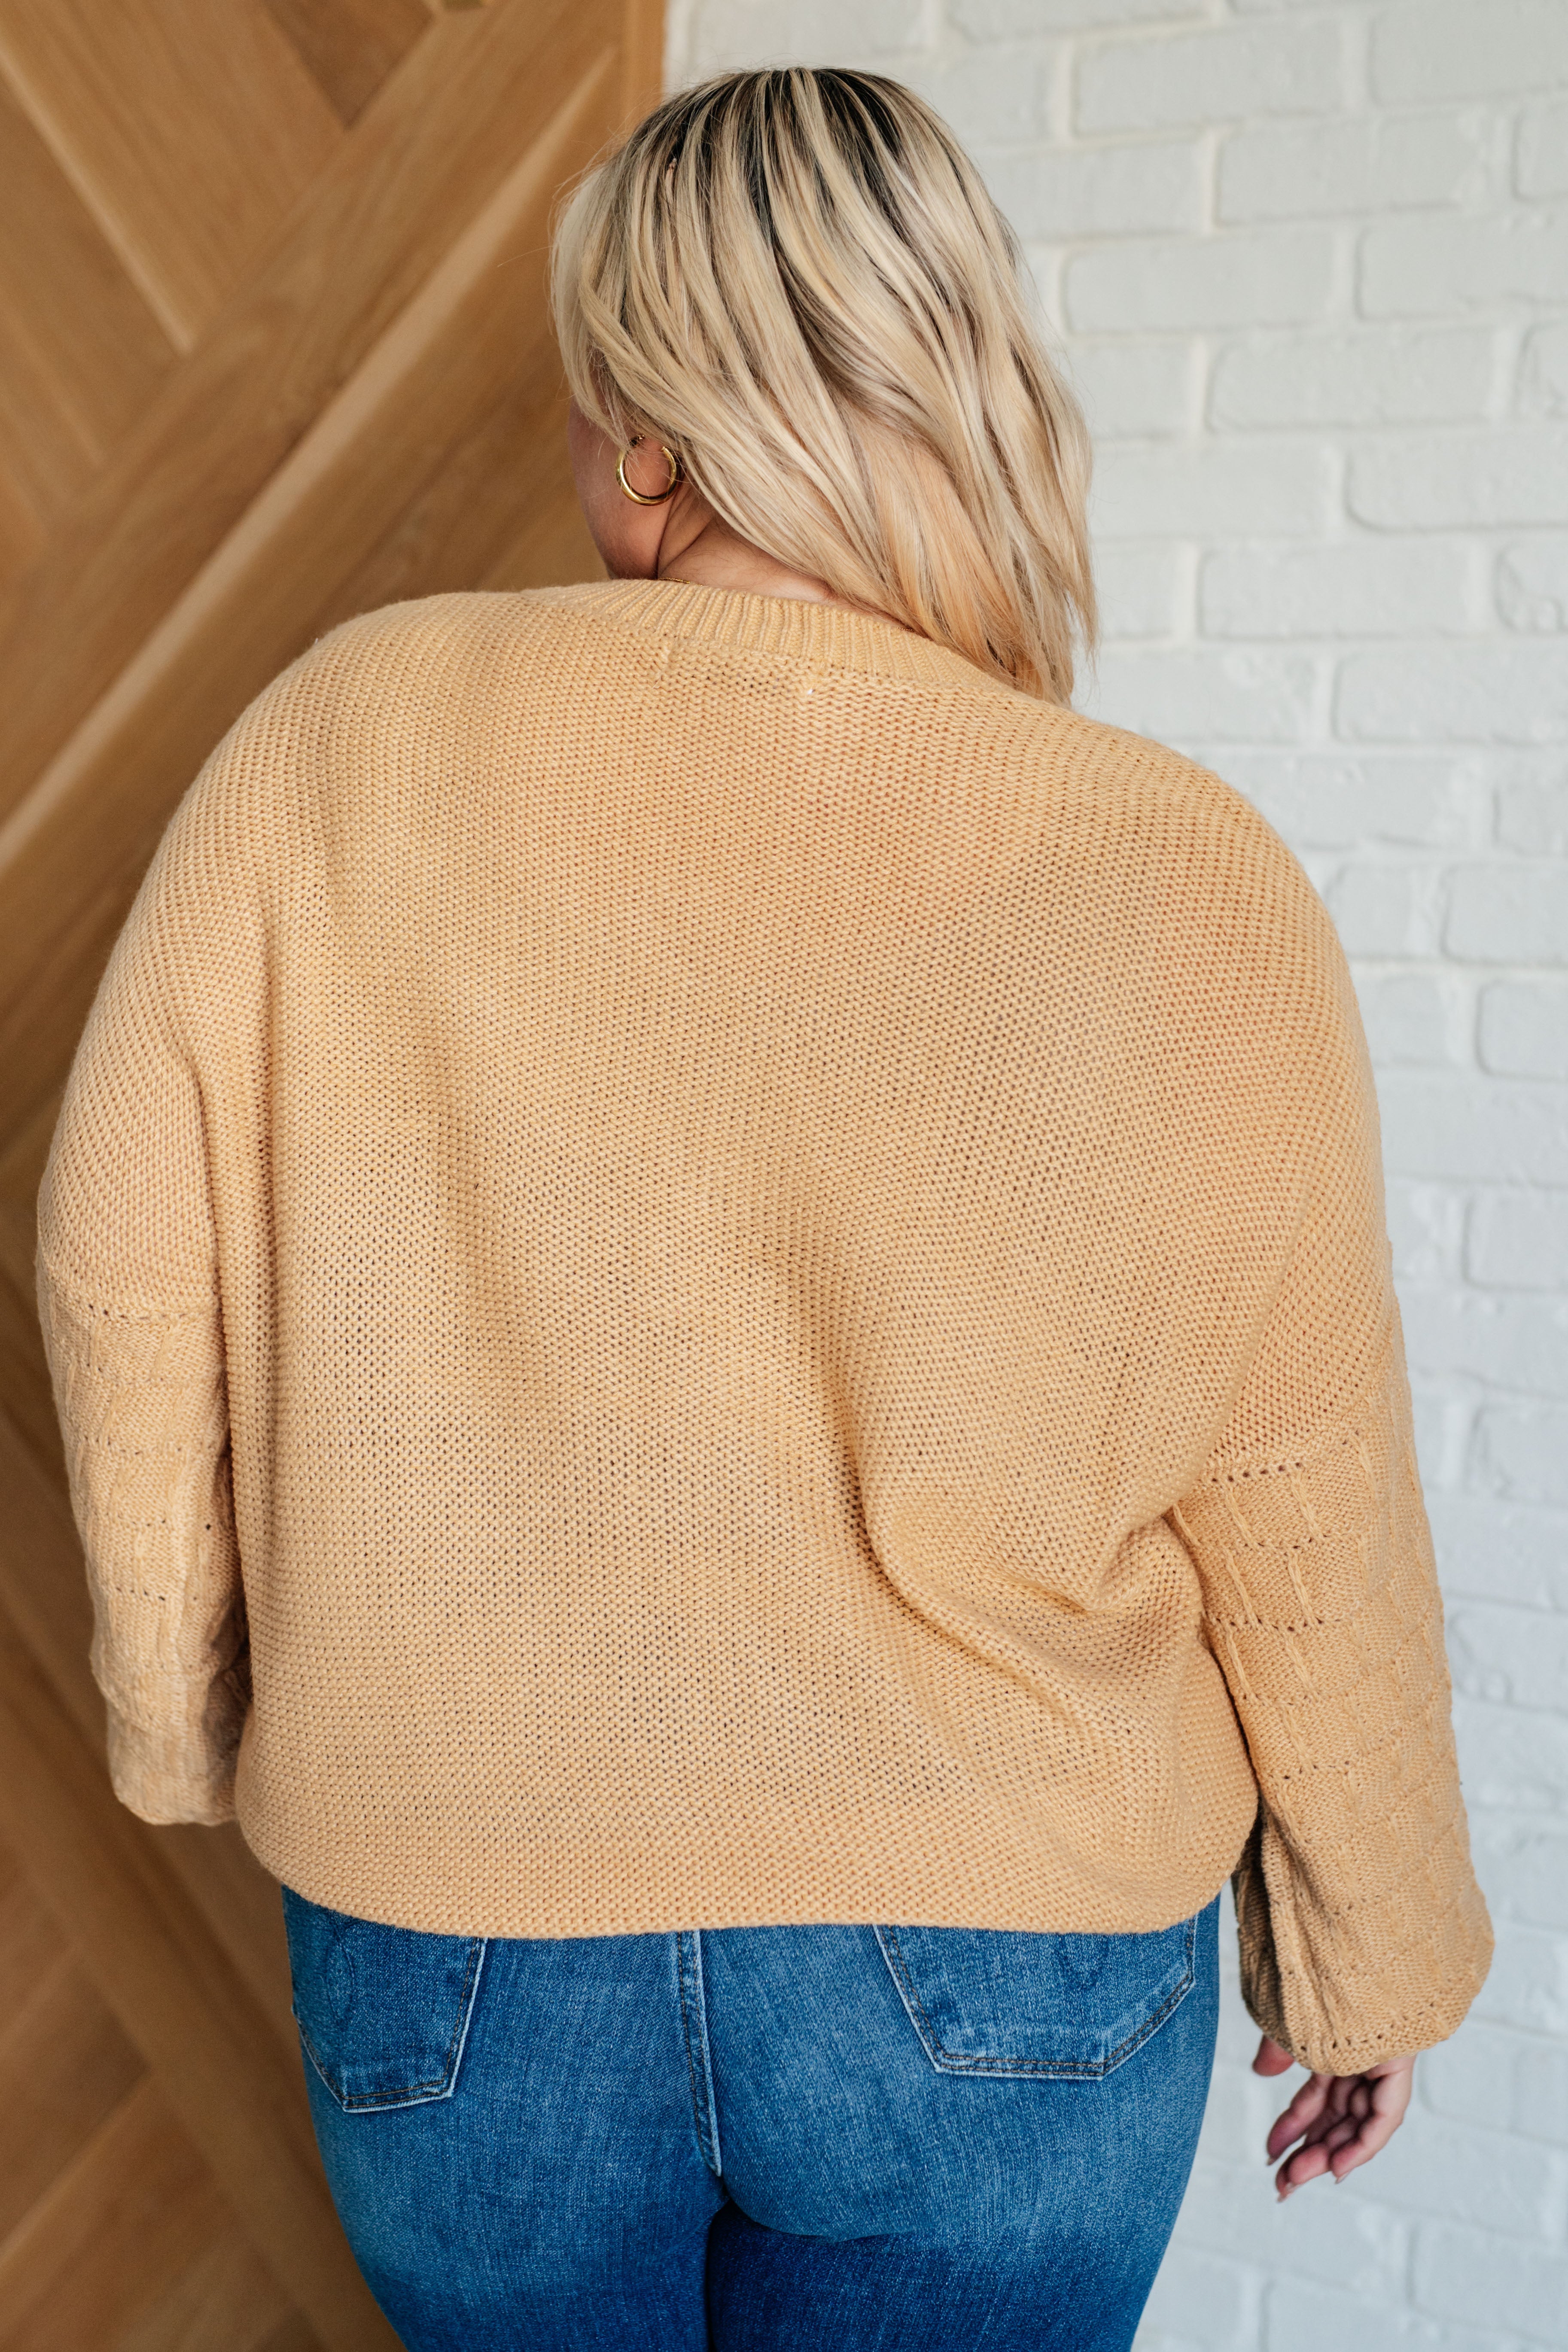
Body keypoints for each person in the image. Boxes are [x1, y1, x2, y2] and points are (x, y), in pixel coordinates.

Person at [37, 66, 1492, 2352]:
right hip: (1000, 1944)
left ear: (642, 429)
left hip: (461, 1935)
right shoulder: (1173, 868)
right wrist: (1370, 1928)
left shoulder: (335, 744)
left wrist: (186, 1708)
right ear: (958, 389)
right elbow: (1292, 1458)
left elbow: (118, 1246)